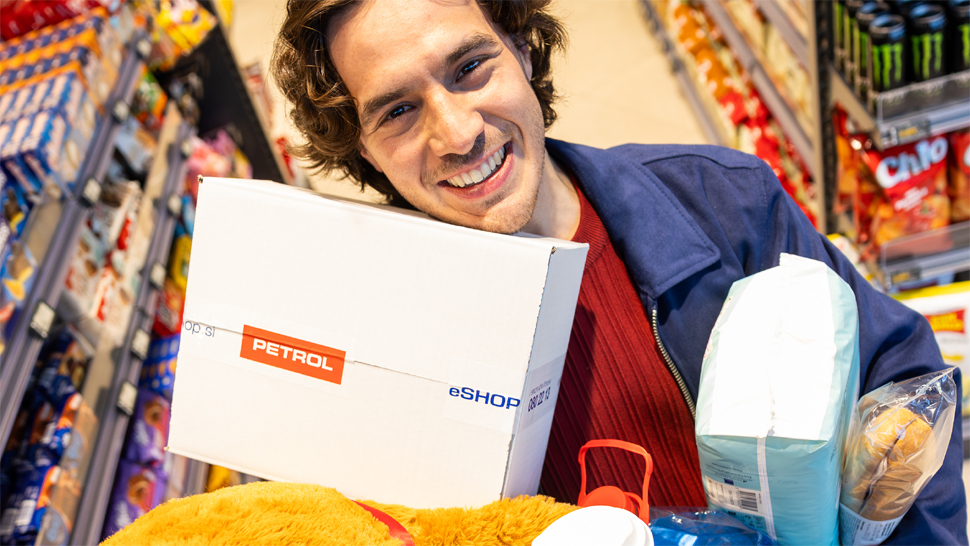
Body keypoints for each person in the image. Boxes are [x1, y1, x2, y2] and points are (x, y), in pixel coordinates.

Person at [271, 0, 967, 542]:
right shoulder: (377, 352)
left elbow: (898, 379)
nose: (458, 133)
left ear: (521, 49)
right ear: (364, 152)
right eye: (397, 110)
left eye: (470, 67)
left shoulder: (722, 202)